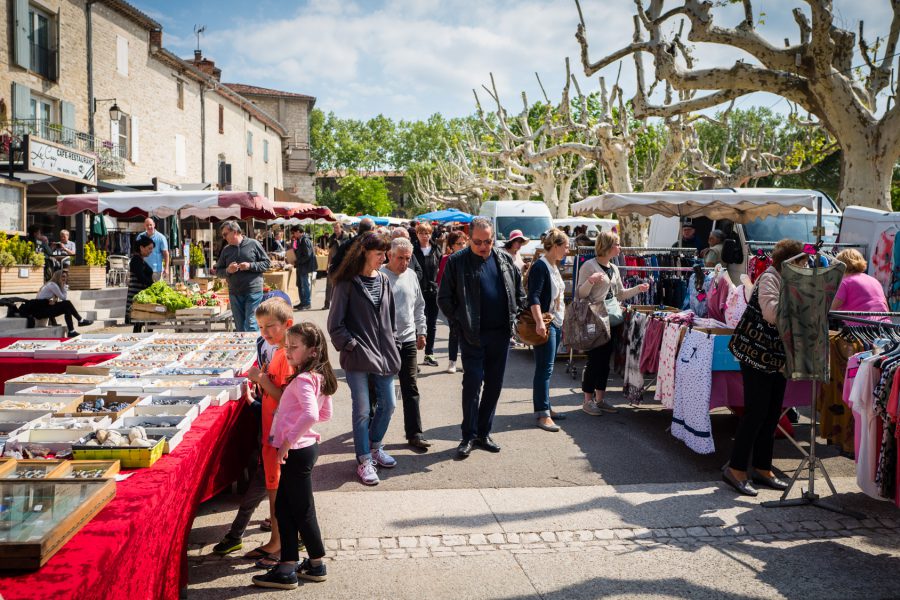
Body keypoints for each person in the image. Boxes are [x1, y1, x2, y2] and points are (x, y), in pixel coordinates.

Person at [251, 322, 334, 590]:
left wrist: (288, 441)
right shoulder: (316, 376)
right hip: (303, 449)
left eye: (294, 347)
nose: (287, 352)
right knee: (287, 508)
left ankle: (309, 563)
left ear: (312, 351)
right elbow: (324, 414)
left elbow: (312, 415)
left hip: (296, 452)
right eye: (287, 346)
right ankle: (295, 564)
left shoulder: (301, 380)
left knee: (299, 509)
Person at [723, 239, 806, 497]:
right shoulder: (770, 278)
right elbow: (772, 313)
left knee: (772, 414)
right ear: (790, 262)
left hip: (774, 357)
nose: (805, 267)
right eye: (802, 263)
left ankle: (762, 467)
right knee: (756, 413)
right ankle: (736, 468)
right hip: (757, 354)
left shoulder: (786, 280)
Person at [438, 217, 525, 459]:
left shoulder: (505, 259)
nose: (484, 246)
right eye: (478, 242)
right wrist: (460, 325)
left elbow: (518, 292)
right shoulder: (457, 262)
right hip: (472, 336)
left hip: (500, 335)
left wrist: (519, 315)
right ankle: (468, 435)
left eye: (488, 241)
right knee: (473, 384)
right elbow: (444, 299)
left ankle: (484, 433)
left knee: (495, 385)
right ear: (469, 239)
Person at [327, 232, 400, 486]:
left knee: (389, 404)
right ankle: (364, 459)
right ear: (364, 253)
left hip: (385, 355)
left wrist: (395, 343)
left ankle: (375, 446)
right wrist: (351, 345)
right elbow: (335, 324)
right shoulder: (346, 283)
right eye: (379, 254)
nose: (384, 258)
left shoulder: (384, 280)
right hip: (358, 357)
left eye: (385, 254)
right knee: (362, 410)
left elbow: (391, 319)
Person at [243, 299, 295, 567]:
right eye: (261, 327)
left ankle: (278, 544)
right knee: (275, 488)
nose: (265, 333)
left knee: (276, 490)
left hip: (277, 434)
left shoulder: (285, 355)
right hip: (272, 431)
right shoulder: (277, 351)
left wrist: (260, 379)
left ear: (288, 325)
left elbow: (285, 396)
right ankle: (279, 539)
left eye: (270, 327)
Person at [576, 231, 649, 416]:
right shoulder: (589, 266)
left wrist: (638, 289)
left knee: (605, 361)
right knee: (594, 360)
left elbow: (619, 294)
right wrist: (591, 281)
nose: (620, 247)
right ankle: (587, 401)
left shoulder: (614, 268)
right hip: (594, 319)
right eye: (617, 244)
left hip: (611, 319)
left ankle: (600, 399)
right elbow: (580, 294)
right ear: (607, 246)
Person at [381, 237, 430, 450]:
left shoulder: (411, 276)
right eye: (400, 258)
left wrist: (422, 331)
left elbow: (419, 305)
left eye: (408, 259)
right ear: (389, 255)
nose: (404, 263)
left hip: (408, 339)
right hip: (384, 342)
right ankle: (374, 436)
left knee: (410, 387)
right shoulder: (380, 276)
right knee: (380, 390)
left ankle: (414, 433)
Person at [527, 229, 570, 432]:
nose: (567, 251)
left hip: (555, 321)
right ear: (555, 245)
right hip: (546, 322)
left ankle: (547, 407)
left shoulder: (553, 265)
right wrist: (539, 322)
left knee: (548, 369)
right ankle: (542, 413)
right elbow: (533, 297)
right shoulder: (540, 267)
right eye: (565, 246)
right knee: (544, 369)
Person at [215, 220, 271, 332]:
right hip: (235, 293)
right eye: (223, 235)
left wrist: (250, 265)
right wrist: (228, 270)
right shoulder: (226, 250)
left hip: (253, 291)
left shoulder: (253, 244)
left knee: (251, 324)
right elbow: (218, 271)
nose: (224, 237)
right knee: (240, 327)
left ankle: (254, 348)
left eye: (225, 234)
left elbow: (266, 263)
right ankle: (244, 348)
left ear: (235, 232)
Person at [23, 270, 92, 337]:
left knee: (67, 308)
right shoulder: (52, 285)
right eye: (62, 277)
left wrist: (53, 301)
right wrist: (64, 286)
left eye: (65, 277)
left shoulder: (52, 284)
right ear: (57, 277)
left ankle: (72, 331)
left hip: (44, 307)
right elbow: (63, 298)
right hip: (40, 311)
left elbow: (54, 299)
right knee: (66, 303)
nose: (64, 279)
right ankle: (79, 321)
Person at [832, 249, 890, 322]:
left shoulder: (845, 282)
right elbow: (885, 306)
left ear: (841, 265)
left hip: (861, 327)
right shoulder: (874, 280)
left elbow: (831, 309)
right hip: (885, 325)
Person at [438, 231, 467, 373]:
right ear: (451, 246)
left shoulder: (471, 259)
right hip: (453, 303)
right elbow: (441, 282)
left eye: (464, 243)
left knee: (468, 333)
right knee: (454, 331)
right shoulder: (446, 259)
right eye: (459, 244)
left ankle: (466, 361)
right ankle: (452, 362)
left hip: (468, 302)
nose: (462, 246)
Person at [412, 222, 441, 367]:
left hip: (433, 291)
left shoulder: (436, 249)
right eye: (422, 233)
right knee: (416, 324)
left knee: (432, 324)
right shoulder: (412, 250)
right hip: (416, 292)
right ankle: (412, 358)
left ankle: (429, 354)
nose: (425, 236)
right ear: (417, 234)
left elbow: (441, 270)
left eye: (427, 233)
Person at [125, 237, 155, 333]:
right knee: (139, 323)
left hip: (142, 296)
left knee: (144, 322)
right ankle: (138, 341)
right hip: (137, 297)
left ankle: (145, 339)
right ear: (142, 248)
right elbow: (141, 278)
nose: (151, 251)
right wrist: (154, 285)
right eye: (149, 248)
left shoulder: (140, 260)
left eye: (152, 248)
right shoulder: (136, 260)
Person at [323, 222, 349, 310]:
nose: (335, 229)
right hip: (333, 264)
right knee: (329, 284)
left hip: (342, 264)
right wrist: (328, 264)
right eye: (334, 228)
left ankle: (341, 304)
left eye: (337, 228)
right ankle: (327, 304)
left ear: (341, 228)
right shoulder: (331, 237)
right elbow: (330, 252)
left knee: (341, 285)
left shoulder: (346, 237)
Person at [292, 226, 315, 310]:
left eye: (293, 232)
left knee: (304, 285)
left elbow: (307, 255)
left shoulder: (305, 240)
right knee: (300, 284)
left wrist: (298, 261)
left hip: (304, 267)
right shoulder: (300, 240)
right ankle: (303, 302)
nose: (293, 235)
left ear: (298, 231)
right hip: (301, 266)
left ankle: (307, 303)